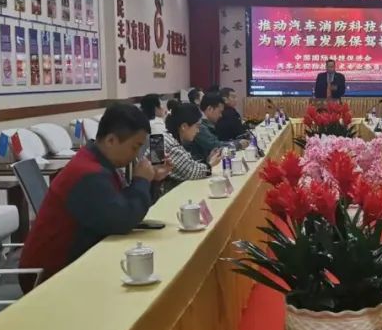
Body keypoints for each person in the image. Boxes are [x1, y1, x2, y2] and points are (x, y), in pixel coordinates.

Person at [21, 104, 170, 284]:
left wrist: (152, 179)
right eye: (135, 147)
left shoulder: (98, 162)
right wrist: (142, 181)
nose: (136, 154)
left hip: (77, 260)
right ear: (111, 140)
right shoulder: (87, 173)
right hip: (49, 275)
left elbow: (123, 205)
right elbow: (122, 220)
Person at [163, 103, 220, 194]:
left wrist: (208, 161)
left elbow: (187, 164)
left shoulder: (169, 138)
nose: (198, 131)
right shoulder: (171, 145)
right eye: (197, 126)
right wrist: (210, 164)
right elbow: (192, 172)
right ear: (184, 126)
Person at [185, 92, 227, 162]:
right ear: (210, 109)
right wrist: (238, 144)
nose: (221, 115)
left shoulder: (206, 123)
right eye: (219, 112)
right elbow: (215, 145)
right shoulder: (199, 125)